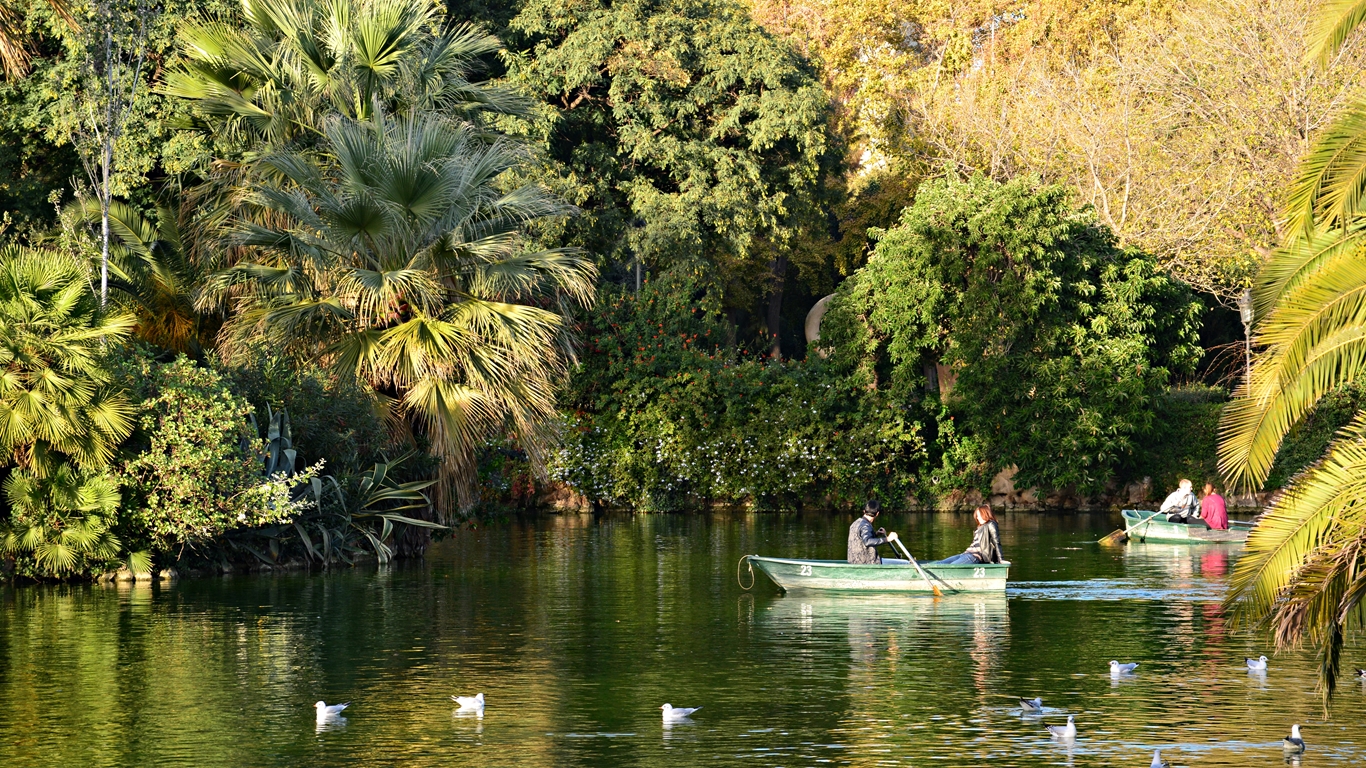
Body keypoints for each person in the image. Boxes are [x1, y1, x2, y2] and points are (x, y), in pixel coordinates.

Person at [933, 505, 1004, 565]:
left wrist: (1001, 559)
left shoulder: (991, 524)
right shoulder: (980, 527)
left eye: (979, 515)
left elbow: (996, 542)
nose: (977, 518)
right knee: (939, 564)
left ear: (985, 514)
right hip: (965, 554)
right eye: (977, 516)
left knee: (950, 567)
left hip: (974, 557)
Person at [848, 498, 890, 564]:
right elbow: (867, 542)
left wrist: (875, 534)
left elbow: (861, 538)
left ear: (864, 511)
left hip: (853, 562)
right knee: (904, 563)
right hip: (867, 563)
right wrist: (887, 539)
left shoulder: (856, 523)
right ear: (877, 514)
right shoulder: (865, 525)